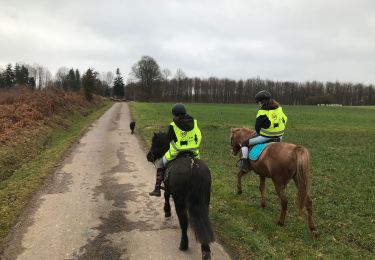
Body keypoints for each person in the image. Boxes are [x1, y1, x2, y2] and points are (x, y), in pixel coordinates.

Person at [149, 103, 202, 196]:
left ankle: (157, 188)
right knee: (200, 167)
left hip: (176, 151)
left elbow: (168, 139)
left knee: (161, 164)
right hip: (194, 152)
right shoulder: (195, 122)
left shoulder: (173, 125)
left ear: (174, 113)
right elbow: (199, 135)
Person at [240, 90, 288, 173]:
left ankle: (244, 164)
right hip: (280, 136)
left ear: (262, 102)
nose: (258, 104)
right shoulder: (279, 108)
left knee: (244, 143)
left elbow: (257, 127)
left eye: (258, 102)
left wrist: (260, 132)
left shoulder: (262, 111)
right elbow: (285, 119)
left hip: (266, 137)